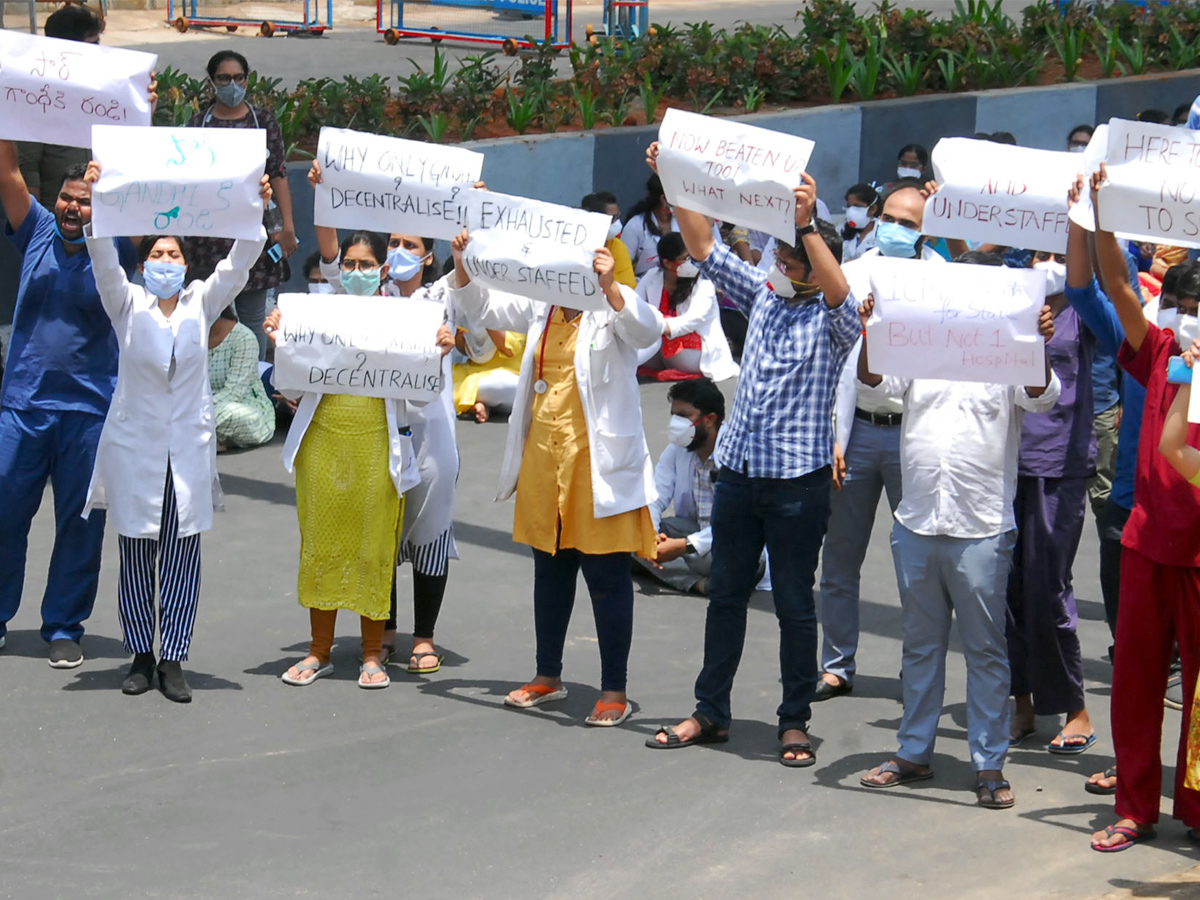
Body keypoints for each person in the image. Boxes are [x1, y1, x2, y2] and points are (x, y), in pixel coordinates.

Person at [644, 141, 859, 767]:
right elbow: (705, 248)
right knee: (727, 596)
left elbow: (843, 295)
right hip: (738, 473)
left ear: (815, 265)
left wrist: (808, 225)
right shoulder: (763, 296)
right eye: (781, 251)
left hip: (799, 482)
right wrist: (674, 178)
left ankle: (794, 721)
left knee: (794, 602)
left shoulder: (833, 318)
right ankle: (710, 710)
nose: (782, 261)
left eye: (795, 257)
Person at [857, 252, 1061, 809]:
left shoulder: (1010, 348)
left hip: (981, 524)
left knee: (984, 649)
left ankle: (989, 763)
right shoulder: (917, 342)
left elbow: (1044, 398)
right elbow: (874, 390)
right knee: (920, 645)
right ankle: (914, 752)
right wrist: (874, 333)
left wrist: (1035, 341)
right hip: (919, 518)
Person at [449, 226, 662, 728]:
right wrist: (463, 260)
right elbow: (479, 309)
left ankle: (614, 689)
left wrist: (611, 289)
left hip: (597, 461)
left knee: (607, 576)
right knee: (550, 568)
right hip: (545, 455)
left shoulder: (614, 303)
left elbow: (648, 332)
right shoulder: (542, 304)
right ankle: (548, 675)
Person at [81, 163, 269, 702]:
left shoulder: (200, 303)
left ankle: (175, 658)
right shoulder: (127, 304)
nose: (166, 262)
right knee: (137, 553)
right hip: (136, 448)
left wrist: (254, 209)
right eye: (157, 255)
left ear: (187, 265)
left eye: (175, 255)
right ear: (141, 266)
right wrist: (98, 200)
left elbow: (239, 264)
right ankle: (141, 655)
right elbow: (100, 261)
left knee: (183, 554)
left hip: (184, 450)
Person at [308, 159, 480, 675]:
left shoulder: (444, 296)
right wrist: (324, 196)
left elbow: (469, 277)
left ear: (428, 257)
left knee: (430, 534)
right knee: (380, 528)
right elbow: (333, 258)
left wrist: (469, 213)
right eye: (395, 246)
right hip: (381, 435)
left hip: (433, 438)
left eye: (411, 246)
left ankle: (423, 637)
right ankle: (381, 632)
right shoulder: (370, 297)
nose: (401, 253)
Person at [269, 229, 451, 690]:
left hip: (377, 449)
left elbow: (416, 399)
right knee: (322, 548)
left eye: (366, 266)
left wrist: (436, 354)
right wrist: (280, 342)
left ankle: (374, 654)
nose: (356, 273)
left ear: (381, 271)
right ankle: (318, 651)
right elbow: (292, 388)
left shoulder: (405, 321)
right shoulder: (318, 317)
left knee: (375, 549)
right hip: (324, 448)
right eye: (348, 265)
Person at [1086, 165, 1200, 852]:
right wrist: (1103, 214)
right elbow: (1116, 285)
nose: (1190, 318)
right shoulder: (1157, 351)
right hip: (1147, 543)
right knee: (1134, 683)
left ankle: (1195, 805)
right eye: (1184, 305)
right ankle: (1135, 805)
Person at [0, 138, 140, 668]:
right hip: (23, 408)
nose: (72, 208)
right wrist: (7, 104)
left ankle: (63, 626)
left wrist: (136, 119)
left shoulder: (119, 248)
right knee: (4, 514)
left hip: (90, 415)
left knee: (80, 527)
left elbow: (149, 198)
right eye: (66, 197)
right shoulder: (35, 228)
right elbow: (8, 171)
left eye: (84, 201)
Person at [817, 178, 944, 703]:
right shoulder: (850, 274)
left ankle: (915, 669)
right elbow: (830, 362)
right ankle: (836, 665)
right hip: (858, 433)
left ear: (927, 230)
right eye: (888, 217)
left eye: (908, 223)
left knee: (916, 564)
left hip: (914, 433)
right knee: (840, 559)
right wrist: (832, 435)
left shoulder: (944, 279)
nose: (894, 228)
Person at [1006, 251, 1098, 754]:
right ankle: (1021, 703)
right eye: (1039, 253)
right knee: (1005, 590)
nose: (1048, 263)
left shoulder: (1083, 311)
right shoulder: (1012, 304)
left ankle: (1074, 706)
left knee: (1047, 588)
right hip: (1000, 462)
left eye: (1059, 255)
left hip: (1057, 466)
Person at [186, 50, 296, 361]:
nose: (232, 84)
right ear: (212, 83)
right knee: (209, 316)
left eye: (238, 78)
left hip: (252, 235)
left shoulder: (264, 121)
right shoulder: (197, 124)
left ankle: (256, 384)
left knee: (252, 319)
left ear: (247, 80)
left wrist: (287, 227)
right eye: (224, 78)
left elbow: (279, 174)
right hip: (206, 237)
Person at [639, 378, 725, 596]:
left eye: (684, 416)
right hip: (690, 534)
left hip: (729, 542)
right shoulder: (677, 449)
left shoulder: (735, 452)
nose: (676, 424)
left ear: (710, 419)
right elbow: (655, 498)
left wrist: (681, 547)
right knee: (631, 534)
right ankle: (698, 584)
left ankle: (670, 569)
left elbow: (737, 525)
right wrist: (651, 536)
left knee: (742, 555)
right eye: (674, 416)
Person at [15, 4, 102, 211]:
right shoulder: (37, 94)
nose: (101, 51)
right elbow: (27, 166)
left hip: (98, 211)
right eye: (93, 44)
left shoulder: (103, 88)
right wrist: (33, 224)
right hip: (56, 215)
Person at [634, 232, 738, 381]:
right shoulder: (652, 276)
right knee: (641, 338)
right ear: (667, 263)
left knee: (653, 335)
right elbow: (635, 305)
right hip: (658, 347)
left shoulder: (704, 282)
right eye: (686, 258)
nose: (692, 262)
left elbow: (693, 320)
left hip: (693, 354)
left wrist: (658, 325)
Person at [208, 305, 275, 451]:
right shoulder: (189, 334)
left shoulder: (243, 337)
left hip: (240, 405)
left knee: (224, 413)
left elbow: (234, 392)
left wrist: (198, 409)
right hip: (197, 407)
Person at [452, 327, 524, 423]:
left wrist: (485, 319)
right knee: (438, 379)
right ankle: (476, 403)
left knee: (501, 385)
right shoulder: (469, 313)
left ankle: (472, 400)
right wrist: (458, 335)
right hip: (473, 372)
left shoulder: (515, 313)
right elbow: (466, 351)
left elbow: (509, 349)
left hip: (509, 375)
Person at [621, 174, 676, 277]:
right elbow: (622, 267)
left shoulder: (683, 223)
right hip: (642, 288)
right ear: (664, 199)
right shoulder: (635, 225)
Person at [582, 191, 636, 289]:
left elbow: (628, 289)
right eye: (612, 218)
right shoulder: (571, 245)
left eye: (618, 216)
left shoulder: (617, 246)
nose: (617, 223)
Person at [840, 183, 880, 263]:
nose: (851, 211)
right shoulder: (841, 230)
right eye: (849, 206)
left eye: (857, 206)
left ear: (872, 209)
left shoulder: (882, 231)